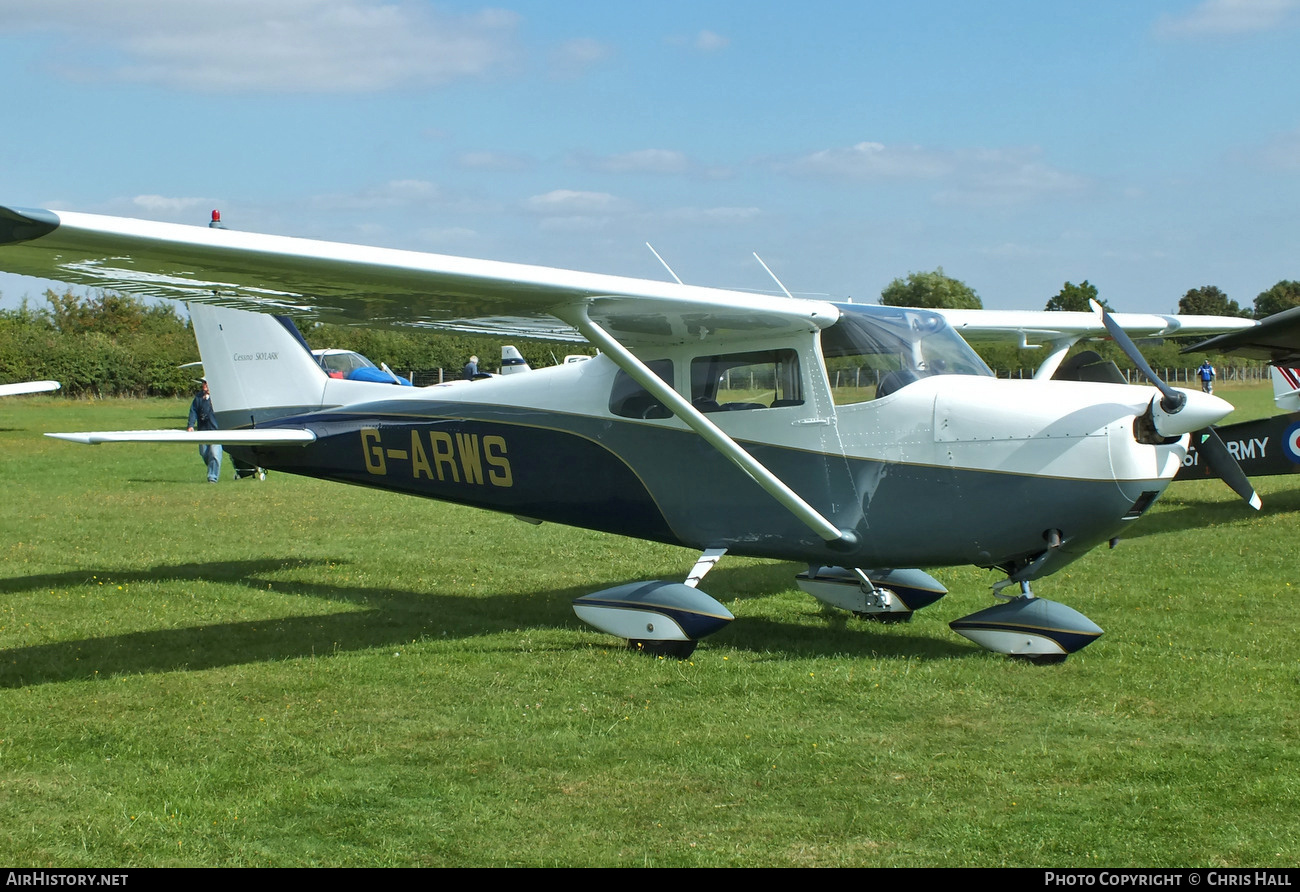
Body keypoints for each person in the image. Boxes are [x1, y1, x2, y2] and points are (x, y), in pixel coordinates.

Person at [187, 378, 222, 482]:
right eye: (203, 383)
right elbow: (193, 411)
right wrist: (191, 425)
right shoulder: (198, 398)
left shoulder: (219, 398)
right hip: (203, 430)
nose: (204, 385)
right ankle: (212, 468)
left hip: (216, 431)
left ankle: (212, 478)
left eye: (206, 383)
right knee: (204, 453)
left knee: (215, 454)